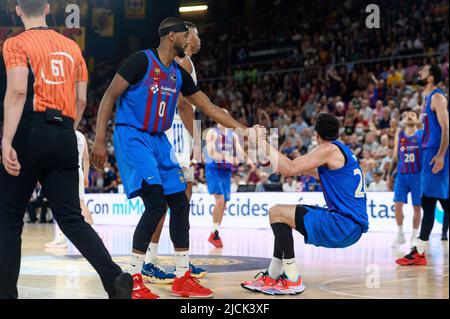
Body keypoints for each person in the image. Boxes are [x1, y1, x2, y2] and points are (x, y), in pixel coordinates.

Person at [91, 17, 253, 299]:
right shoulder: (140, 61)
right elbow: (108, 96)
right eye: (186, 37)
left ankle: (182, 277)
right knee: (155, 203)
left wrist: (243, 130)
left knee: (179, 203)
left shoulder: (179, 75)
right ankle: (134, 278)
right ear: (171, 37)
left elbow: (209, 108)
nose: (190, 41)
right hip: (133, 136)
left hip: (159, 140)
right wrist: (100, 140)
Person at [0, 0, 132, 299]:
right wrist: (63, 134)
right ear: (47, 8)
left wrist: (7, 140)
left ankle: (6, 294)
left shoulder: (15, 43)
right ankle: (114, 279)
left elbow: (18, 91)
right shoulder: (72, 47)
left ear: (18, 10)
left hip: (29, 131)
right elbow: (82, 100)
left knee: (8, 219)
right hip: (64, 133)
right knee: (72, 218)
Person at [241, 113, 368, 295]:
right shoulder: (343, 152)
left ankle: (293, 279)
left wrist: (261, 142)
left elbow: (289, 168)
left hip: (342, 224)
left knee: (276, 212)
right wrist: (284, 163)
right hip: (349, 225)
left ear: (316, 134)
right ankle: (272, 275)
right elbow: (300, 170)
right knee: (283, 217)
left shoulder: (327, 149)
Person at [142, 21, 206, 284]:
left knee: (175, 204)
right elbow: (182, 105)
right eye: (197, 34)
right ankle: (150, 261)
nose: (200, 39)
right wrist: (199, 140)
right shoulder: (184, 64)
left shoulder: (181, 63)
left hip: (174, 137)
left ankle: (177, 258)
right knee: (174, 204)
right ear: (187, 37)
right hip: (177, 138)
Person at [396, 65, 449, 266]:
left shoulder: (437, 97)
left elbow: (447, 128)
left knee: (428, 202)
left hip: (436, 153)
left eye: (423, 71)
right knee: (441, 200)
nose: (419, 73)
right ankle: (419, 249)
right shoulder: (427, 99)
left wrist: (441, 155)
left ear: (430, 78)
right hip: (429, 152)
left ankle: (419, 251)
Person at [45, 130, 94, 249]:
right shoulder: (82, 135)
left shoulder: (63, 132)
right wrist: (86, 175)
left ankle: (61, 239)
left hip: (66, 172)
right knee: (81, 203)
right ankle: (93, 234)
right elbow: (86, 158)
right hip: (79, 172)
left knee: (60, 205)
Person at [204, 114, 245, 248]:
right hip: (213, 169)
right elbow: (210, 152)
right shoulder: (212, 132)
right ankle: (214, 233)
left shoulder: (232, 135)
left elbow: (239, 151)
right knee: (220, 200)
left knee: (225, 204)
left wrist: (241, 157)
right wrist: (227, 157)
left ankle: (214, 232)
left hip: (226, 171)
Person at [388, 110, 422, 249]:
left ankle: (414, 235)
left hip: (417, 175)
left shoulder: (421, 134)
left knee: (417, 207)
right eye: (407, 114)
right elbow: (395, 156)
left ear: (417, 119)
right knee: (397, 205)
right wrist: (389, 175)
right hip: (402, 175)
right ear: (403, 119)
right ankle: (400, 234)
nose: (409, 116)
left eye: (413, 115)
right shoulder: (400, 134)